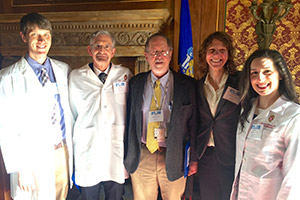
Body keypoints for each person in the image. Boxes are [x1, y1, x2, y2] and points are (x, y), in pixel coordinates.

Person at [0, 12, 73, 199]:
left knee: (60, 196)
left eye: (46, 35)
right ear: (24, 37)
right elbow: (5, 127)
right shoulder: (8, 77)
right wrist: (20, 168)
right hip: (30, 158)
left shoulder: (63, 70)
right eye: (35, 35)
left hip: (61, 153)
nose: (42, 40)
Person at [124, 33, 198, 200]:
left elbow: (194, 124)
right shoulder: (135, 84)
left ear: (170, 54)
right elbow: (129, 122)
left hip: (174, 156)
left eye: (163, 51)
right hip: (142, 155)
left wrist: (193, 159)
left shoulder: (187, 84)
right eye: (154, 52)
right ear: (146, 56)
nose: (158, 56)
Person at [69, 30, 132, 200]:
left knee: (116, 196)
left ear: (113, 51)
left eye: (106, 47)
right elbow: (72, 114)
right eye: (97, 46)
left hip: (116, 151)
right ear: (90, 50)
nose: (102, 51)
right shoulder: (76, 77)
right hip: (88, 151)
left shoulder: (125, 75)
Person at [231, 49, 300, 199]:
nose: (260, 79)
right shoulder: (247, 108)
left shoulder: (293, 116)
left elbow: (294, 176)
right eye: (254, 73)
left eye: (267, 72)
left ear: (280, 74)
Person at [195, 31, 241, 200]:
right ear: (205, 55)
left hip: (231, 153)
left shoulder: (239, 82)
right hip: (206, 154)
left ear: (228, 54)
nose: (217, 55)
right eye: (212, 50)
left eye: (222, 50)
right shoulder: (198, 86)